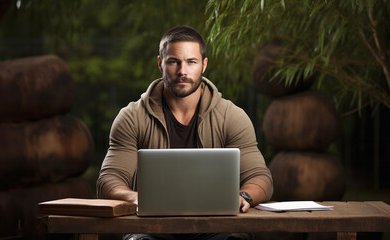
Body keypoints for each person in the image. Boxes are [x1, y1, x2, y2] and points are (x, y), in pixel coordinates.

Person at [97, 25, 273, 240]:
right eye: (174, 61)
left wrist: (243, 196)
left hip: (218, 228)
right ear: (160, 63)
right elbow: (108, 181)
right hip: (152, 229)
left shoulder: (232, 116)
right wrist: (136, 198)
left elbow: (261, 178)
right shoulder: (132, 117)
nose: (182, 71)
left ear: (204, 65)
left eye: (191, 62)